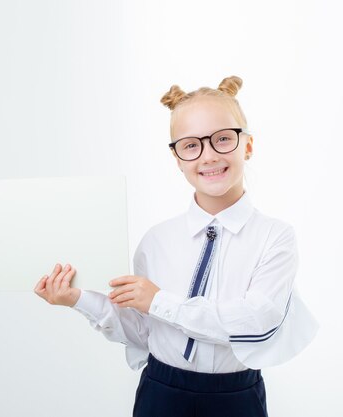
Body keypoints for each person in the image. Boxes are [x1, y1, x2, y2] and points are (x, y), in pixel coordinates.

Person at [33, 75, 319, 417]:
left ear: (248, 146)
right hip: (161, 392)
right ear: (177, 158)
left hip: (235, 397)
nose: (208, 155)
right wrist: (78, 299)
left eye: (223, 139)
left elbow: (255, 323)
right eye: (191, 145)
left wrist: (160, 301)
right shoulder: (156, 241)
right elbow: (143, 333)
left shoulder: (275, 237)